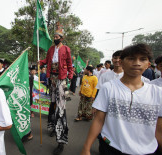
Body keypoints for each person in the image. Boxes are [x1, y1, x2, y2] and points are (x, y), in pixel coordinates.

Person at [81, 43, 162, 155]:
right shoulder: (109, 87)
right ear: (122, 62)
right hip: (111, 148)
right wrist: (86, 147)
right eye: (131, 59)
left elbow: (159, 128)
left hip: (147, 151)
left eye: (142, 59)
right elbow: (99, 120)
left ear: (148, 64)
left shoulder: (157, 93)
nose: (137, 63)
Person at [39, 22, 73, 155]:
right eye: (54, 36)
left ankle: (61, 141)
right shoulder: (51, 49)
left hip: (61, 79)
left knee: (60, 109)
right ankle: (52, 127)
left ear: (62, 38)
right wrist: (40, 62)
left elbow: (70, 63)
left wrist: (69, 75)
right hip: (51, 79)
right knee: (52, 105)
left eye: (57, 36)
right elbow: (46, 61)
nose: (55, 37)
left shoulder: (66, 49)